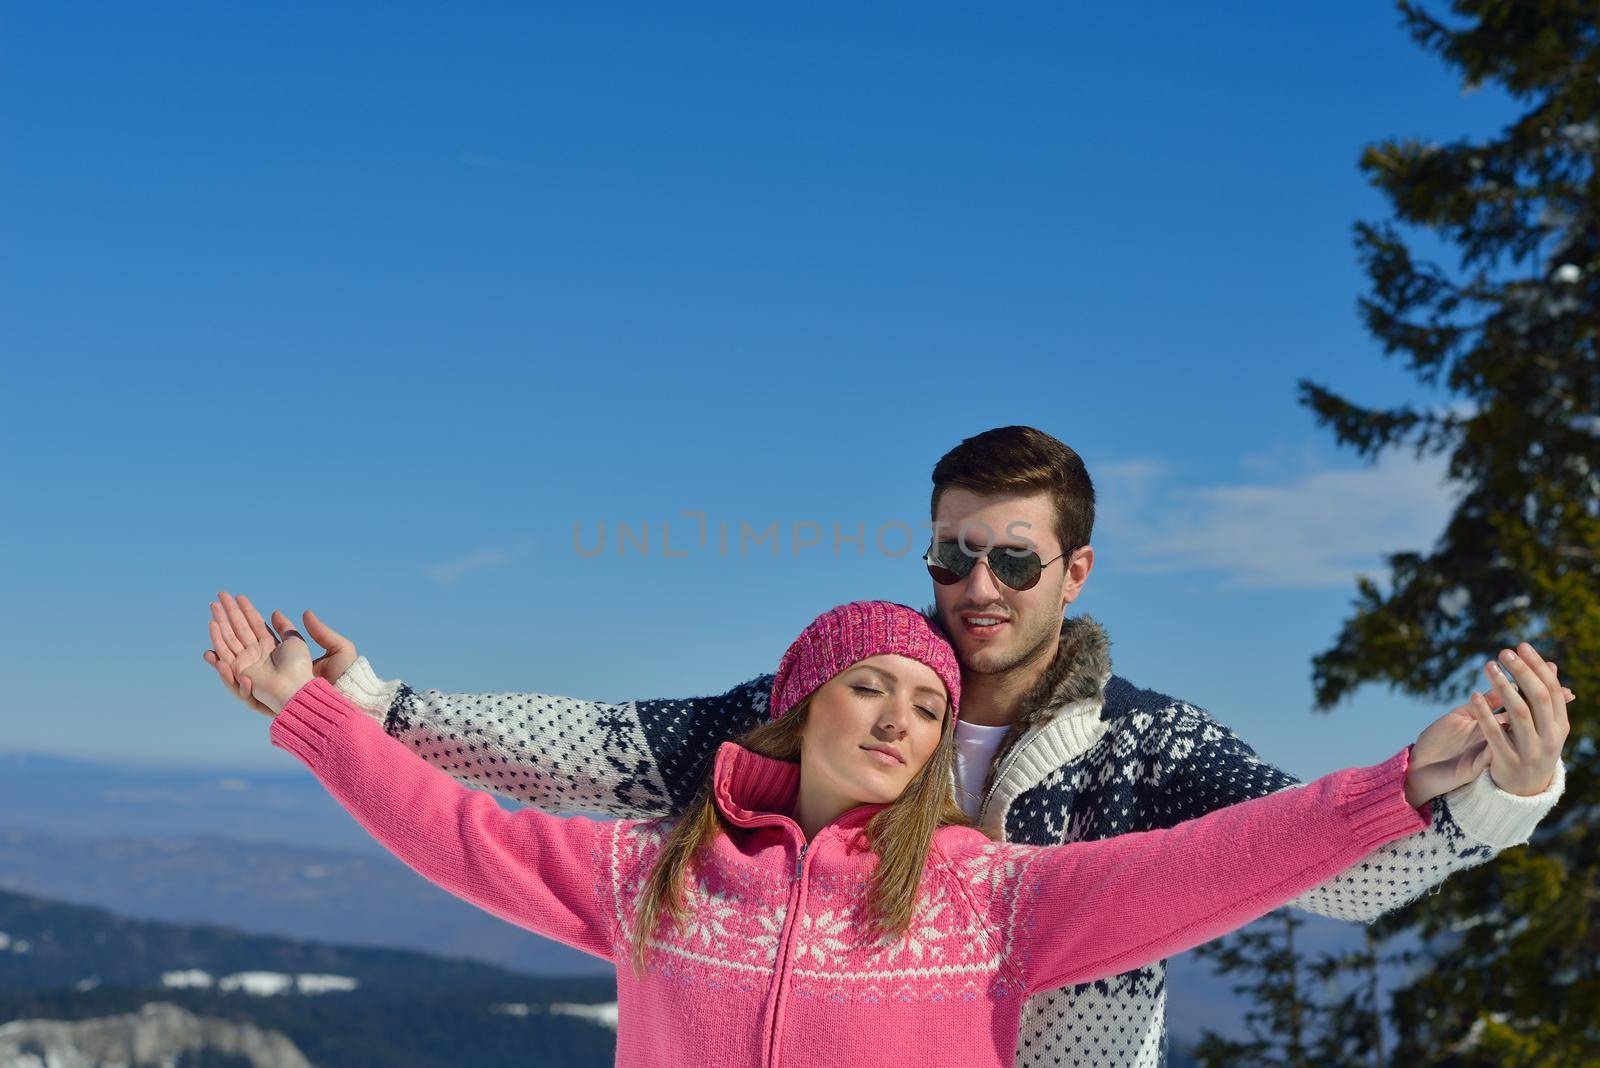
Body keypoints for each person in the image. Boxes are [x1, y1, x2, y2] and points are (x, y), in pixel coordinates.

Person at [205, 426, 1572, 1068]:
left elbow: (1285, 865)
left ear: (1077, 571)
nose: (979, 585)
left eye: (1016, 560)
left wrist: (1484, 802)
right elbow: (584, 754)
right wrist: (375, 706)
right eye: (954, 553)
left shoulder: (1141, 751)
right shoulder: (830, 693)